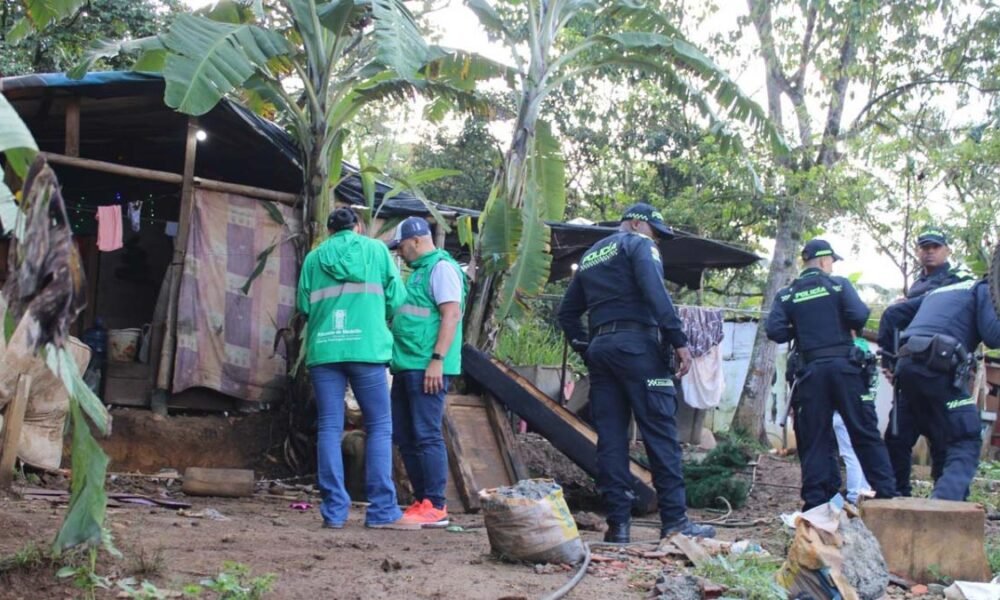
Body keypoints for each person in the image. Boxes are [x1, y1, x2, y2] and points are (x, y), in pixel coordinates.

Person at [557, 202, 714, 543]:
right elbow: (655, 293)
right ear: (639, 225)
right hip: (639, 349)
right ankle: (674, 522)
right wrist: (679, 341)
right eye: (656, 234)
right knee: (660, 434)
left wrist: (587, 346)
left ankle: (618, 526)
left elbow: (567, 313)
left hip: (602, 351)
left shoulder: (591, 256)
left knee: (611, 440)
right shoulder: (639, 245)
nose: (656, 241)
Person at [297, 207, 420, 530]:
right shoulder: (377, 250)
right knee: (379, 425)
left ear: (329, 231)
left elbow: (303, 306)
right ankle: (381, 510)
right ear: (359, 226)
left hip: (324, 349)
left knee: (328, 427)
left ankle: (334, 512)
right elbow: (397, 298)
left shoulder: (314, 259)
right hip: (366, 347)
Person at [766, 239, 896, 510]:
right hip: (845, 369)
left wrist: (800, 329)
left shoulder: (787, 294)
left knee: (814, 438)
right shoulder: (838, 285)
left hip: (811, 372)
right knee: (863, 431)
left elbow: (775, 331)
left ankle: (814, 504)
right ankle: (885, 493)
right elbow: (859, 317)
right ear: (825, 261)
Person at [877, 276, 1000, 500]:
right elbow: (993, 336)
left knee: (901, 434)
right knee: (966, 437)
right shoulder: (982, 290)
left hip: (907, 366)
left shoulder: (941, 291)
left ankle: (895, 499)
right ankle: (945, 505)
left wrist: (888, 362)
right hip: (939, 366)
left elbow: (892, 315)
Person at [881, 227, 975, 495]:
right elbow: (895, 321)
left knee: (946, 439)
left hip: (945, 373)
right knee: (897, 437)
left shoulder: (959, 280)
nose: (930, 252)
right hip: (911, 374)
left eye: (935, 247)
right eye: (925, 247)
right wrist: (889, 365)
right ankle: (898, 496)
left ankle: (947, 501)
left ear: (947, 250)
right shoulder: (917, 285)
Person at [387, 217, 467, 529]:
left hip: (427, 366)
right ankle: (422, 501)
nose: (401, 252)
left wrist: (437, 359)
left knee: (426, 434)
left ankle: (436, 504)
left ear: (418, 240)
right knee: (405, 435)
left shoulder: (442, 268)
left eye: (403, 246)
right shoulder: (419, 273)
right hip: (407, 364)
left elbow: (451, 314)